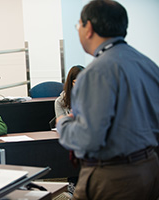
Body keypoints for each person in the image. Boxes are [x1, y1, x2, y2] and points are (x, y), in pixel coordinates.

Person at [56, 1, 159, 200]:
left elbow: (89, 139)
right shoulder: (148, 65)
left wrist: (64, 124)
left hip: (114, 176)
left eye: (79, 25)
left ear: (89, 29)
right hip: (149, 167)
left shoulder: (96, 73)